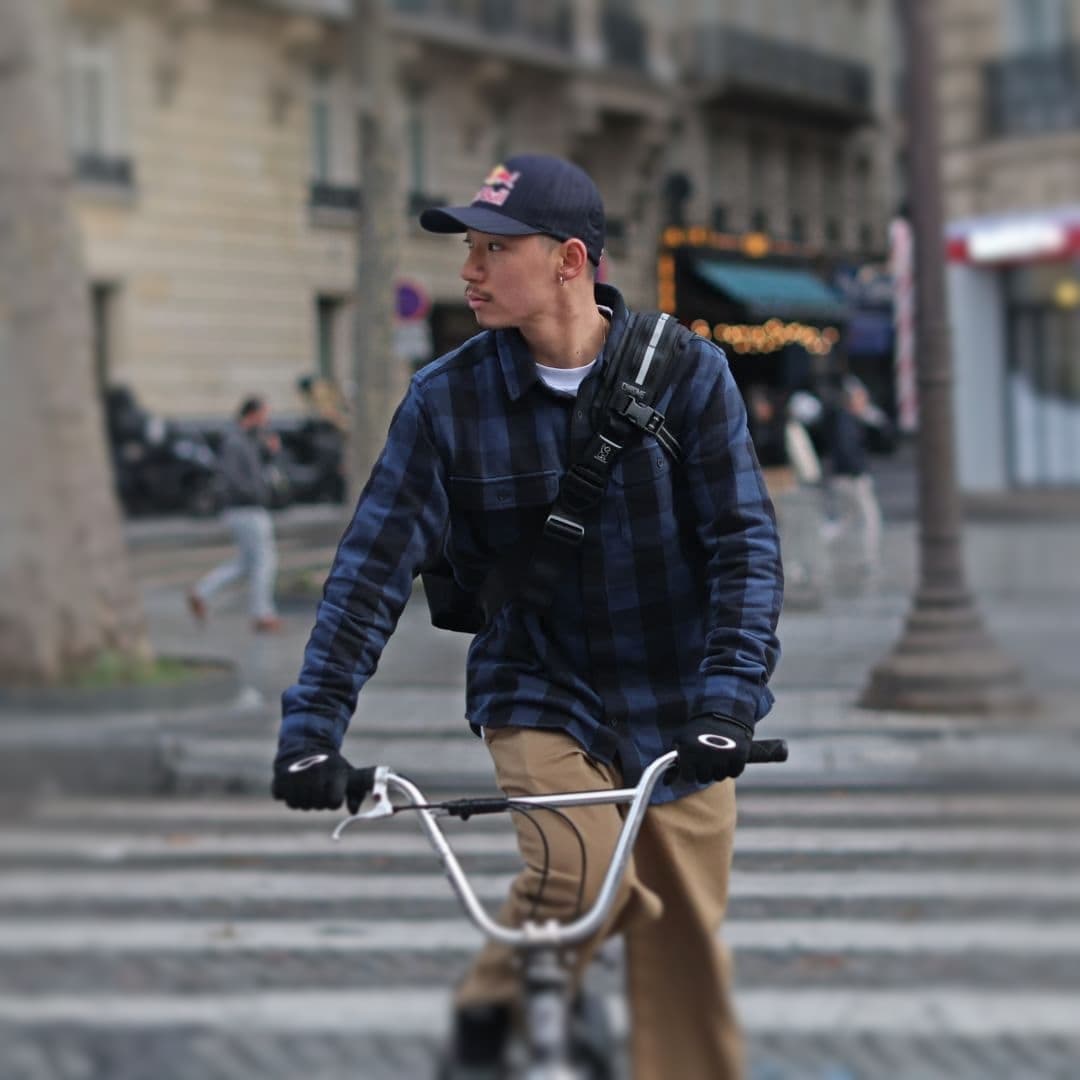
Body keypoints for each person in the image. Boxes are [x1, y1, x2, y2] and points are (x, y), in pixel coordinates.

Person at [270, 153, 783, 1079]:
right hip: (538, 684)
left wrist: (731, 702)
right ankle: (502, 1010)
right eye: (469, 247)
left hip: (681, 697)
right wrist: (312, 728)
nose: (467, 270)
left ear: (569, 259)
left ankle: (526, 1008)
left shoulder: (689, 374)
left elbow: (745, 546)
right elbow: (370, 570)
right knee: (578, 872)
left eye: (493, 248)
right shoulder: (446, 400)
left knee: (687, 957)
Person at [187, 396, 282, 633]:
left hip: (248, 508)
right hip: (246, 508)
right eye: (264, 414)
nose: (267, 420)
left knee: (245, 563)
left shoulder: (249, 439)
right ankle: (262, 614)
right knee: (265, 561)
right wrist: (254, 494)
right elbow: (232, 476)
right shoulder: (235, 440)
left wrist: (270, 452)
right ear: (253, 414)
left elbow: (261, 467)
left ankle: (201, 593)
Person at [826, 375, 891, 579]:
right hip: (852, 478)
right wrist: (857, 473)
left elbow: (885, 442)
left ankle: (821, 542)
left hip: (846, 477)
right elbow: (848, 450)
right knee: (870, 519)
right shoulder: (846, 420)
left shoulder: (852, 419)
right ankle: (869, 561)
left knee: (846, 520)